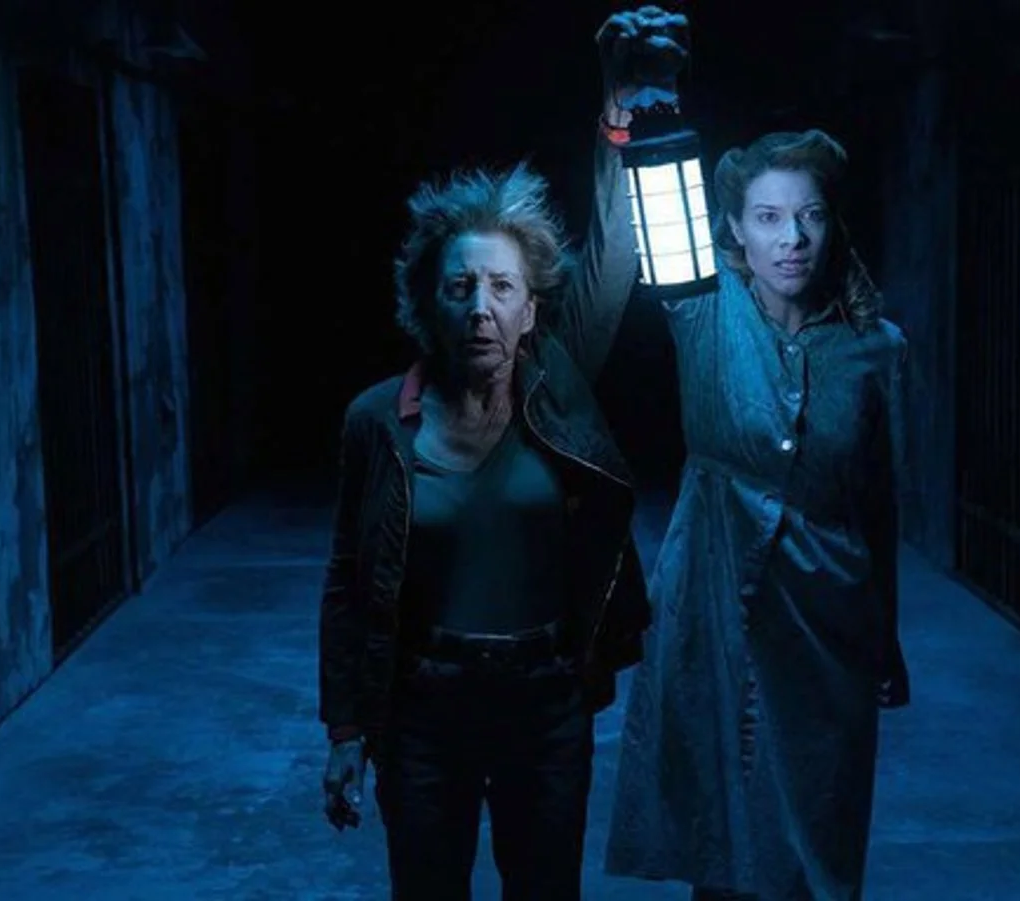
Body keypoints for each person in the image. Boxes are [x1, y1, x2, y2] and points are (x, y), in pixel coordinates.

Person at [595, 8, 916, 901]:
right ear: (734, 230)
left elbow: (877, 503)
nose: (792, 239)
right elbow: (646, 197)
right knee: (723, 840)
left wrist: (884, 634)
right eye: (769, 218)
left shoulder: (875, 348)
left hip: (827, 618)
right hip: (716, 602)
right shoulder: (701, 302)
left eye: (809, 216)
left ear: (831, 224)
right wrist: (644, 103)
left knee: (815, 839)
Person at [315, 87, 650, 898]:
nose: (480, 308)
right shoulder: (376, 421)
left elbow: (610, 265)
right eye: (460, 286)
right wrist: (346, 727)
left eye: (502, 288)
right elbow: (347, 580)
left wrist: (615, 122)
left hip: (545, 702)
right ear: (429, 303)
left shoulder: (558, 395)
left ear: (531, 310)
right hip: (425, 708)